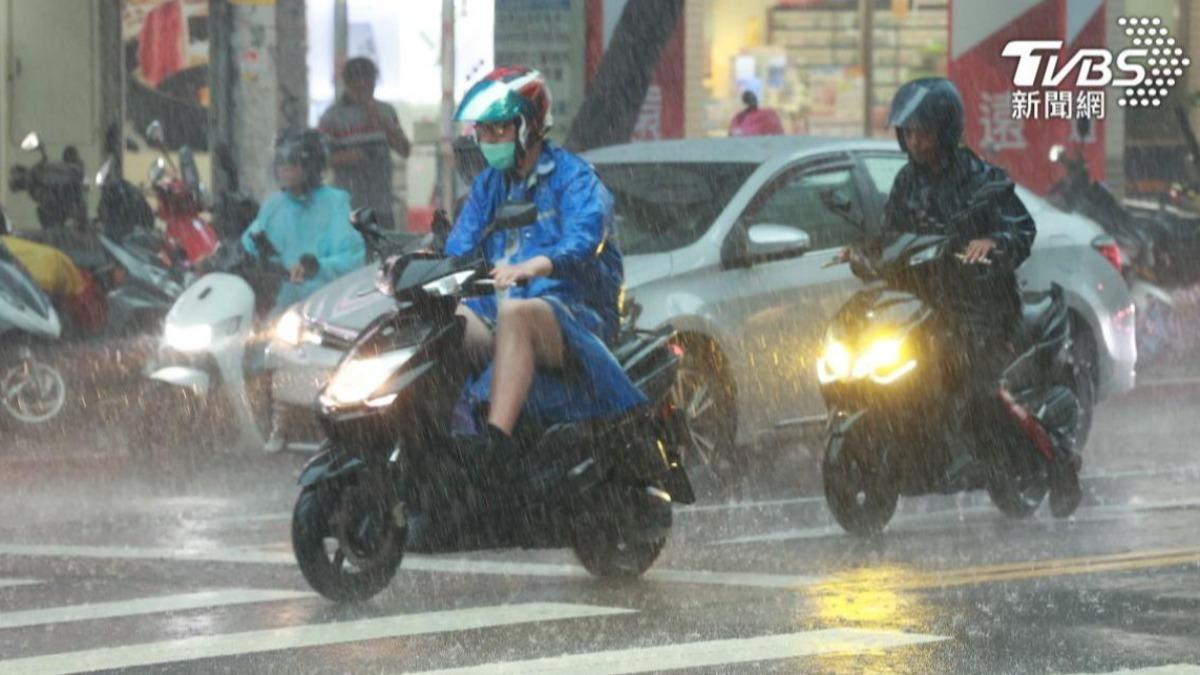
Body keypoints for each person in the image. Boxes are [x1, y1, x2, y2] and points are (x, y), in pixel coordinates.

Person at [856, 78, 1081, 509]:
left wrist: (993, 244)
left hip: (985, 311)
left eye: (923, 130)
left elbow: (1021, 228)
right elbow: (891, 235)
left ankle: (1058, 462)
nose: (915, 140)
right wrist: (866, 254)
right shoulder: (907, 182)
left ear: (945, 129)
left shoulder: (982, 179)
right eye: (909, 132)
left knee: (981, 395)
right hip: (927, 309)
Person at [443, 66, 646, 460]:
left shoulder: (575, 178)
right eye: (482, 131)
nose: (487, 140)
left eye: (498, 129)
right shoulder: (489, 185)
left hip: (573, 316)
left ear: (528, 126)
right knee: (445, 321)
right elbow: (459, 248)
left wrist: (534, 266)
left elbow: (585, 238)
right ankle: (441, 439)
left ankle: (494, 449)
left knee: (520, 312)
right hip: (495, 315)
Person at [241, 129, 365, 453]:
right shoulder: (273, 205)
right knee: (264, 348)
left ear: (310, 165)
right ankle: (277, 423)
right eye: (280, 162)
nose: (283, 169)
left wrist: (317, 266)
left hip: (324, 304)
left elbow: (351, 256)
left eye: (291, 162)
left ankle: (319, 423)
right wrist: (250, 250)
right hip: (283, 301)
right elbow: (250, 240)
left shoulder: (335, 203)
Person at [319, 57, 411, 231]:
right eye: (359, 86)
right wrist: (349, 158)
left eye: (370, 85)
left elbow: (405, 150)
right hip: (349, 205)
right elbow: (320, 158)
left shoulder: (386, 111)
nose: (365, 90)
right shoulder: (332, 117)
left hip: (381, 204)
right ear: (348, 84)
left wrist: (382, 124)